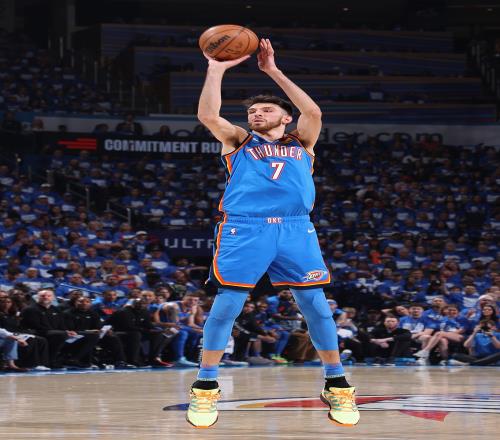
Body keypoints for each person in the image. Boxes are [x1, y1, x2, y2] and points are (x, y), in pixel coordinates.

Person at [185, 39, 359, 428]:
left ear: (285, 117)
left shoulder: (303, 142)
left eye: (266, 109)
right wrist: (216, 68)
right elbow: (208, 115)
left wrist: (273, 71)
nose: (256, 113)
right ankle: (205, 385)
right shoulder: (239, 141)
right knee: (228, 304)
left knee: (316, 305)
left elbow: (313, 111)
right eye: (252, 110)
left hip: (296, 229)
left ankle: (336, 383)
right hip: (245, 229)